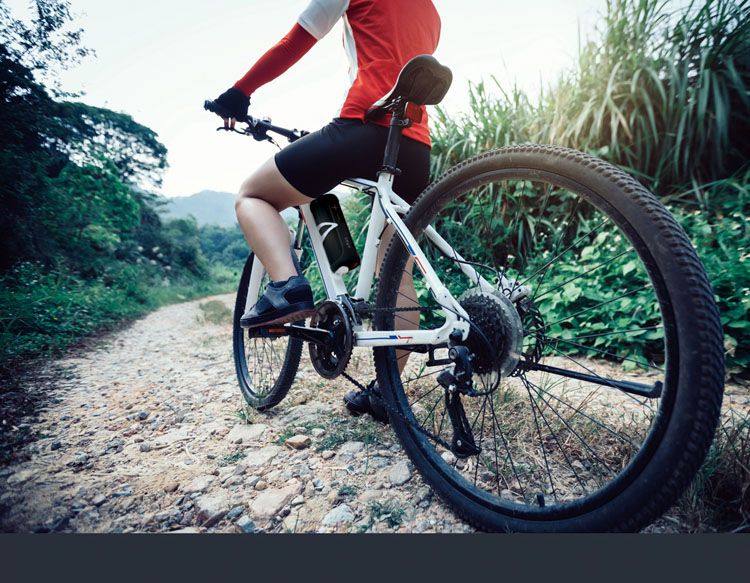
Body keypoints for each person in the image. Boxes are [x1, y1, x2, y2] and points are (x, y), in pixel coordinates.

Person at [209, 0, 442, 423]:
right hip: (416, 146)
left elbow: (294, 42)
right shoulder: (429, 10)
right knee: (395, 274)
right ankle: (387, 390)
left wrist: (238, 93)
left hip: (365, 126)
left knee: (252, 196)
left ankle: (287, 288)